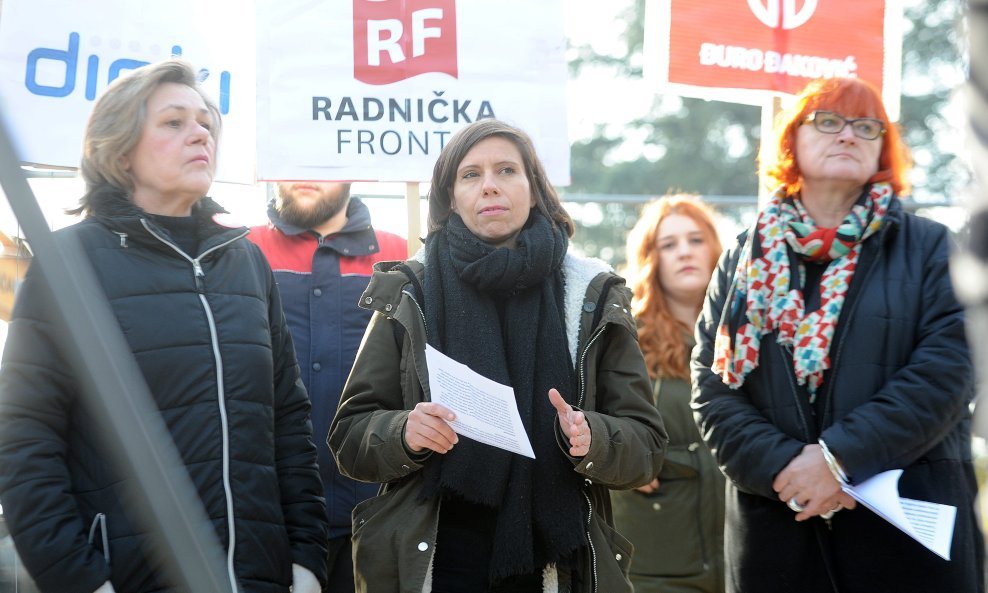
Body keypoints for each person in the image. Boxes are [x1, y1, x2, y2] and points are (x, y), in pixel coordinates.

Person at [0, 60, 328, 593]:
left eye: (205, 123)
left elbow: (288, 423)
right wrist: (81, 581)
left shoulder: (246, 263)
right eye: (174, 122)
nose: (199, 133)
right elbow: (24, 444)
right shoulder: (68, 264)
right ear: (121, 149)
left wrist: (306, 562)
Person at [328, 118, 668, 593]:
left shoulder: (592, 294)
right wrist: (404, 432)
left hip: (555, 565)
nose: (489, 186)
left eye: (507, 170)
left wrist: (595, 437)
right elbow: (349, 435)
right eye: (471, 175)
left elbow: (647, 447)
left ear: (534, 189)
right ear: (450, 197)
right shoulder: (409, 290)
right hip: (437, 559)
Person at [692, 76, 985, 593]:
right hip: (779, 533)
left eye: (866, 126)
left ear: (883, 150)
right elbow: (712, 384)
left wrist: (837, 460)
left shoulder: (931, 246)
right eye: (828, 121)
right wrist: (786, 467)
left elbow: (949, 370)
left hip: (907, 541)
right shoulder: (744, 256)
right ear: (792, 141)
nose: (848, 135)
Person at [248, 181, 407, 592]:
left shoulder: (402, 255)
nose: (306, 174)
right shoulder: (241, 250)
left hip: (376, 510)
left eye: (320, 163)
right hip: (268, 513)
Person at [612, 195, 725, 593]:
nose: (685, 252)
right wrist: (625, 453)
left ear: (715, 248)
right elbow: (596, 420)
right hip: (659, 551)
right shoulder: (624, 336)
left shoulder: (751, 327)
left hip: (738, 537)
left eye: (695, 240)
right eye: (669, 244)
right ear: (650, 257)